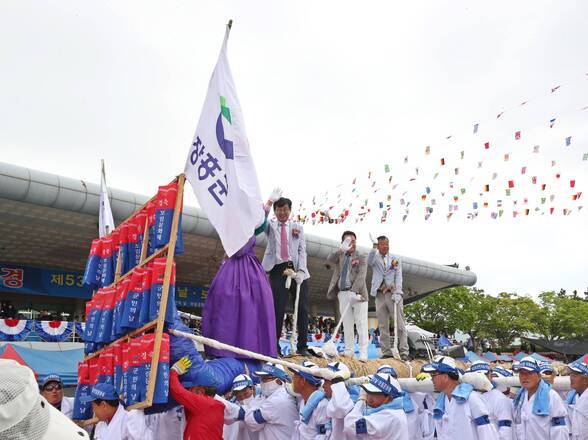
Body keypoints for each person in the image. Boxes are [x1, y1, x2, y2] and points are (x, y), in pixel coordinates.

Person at [202, 189, 280, 358]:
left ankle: (245, 350)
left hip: (243, 267)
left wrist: (268, 205)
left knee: (251, 305)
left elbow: (260, 225)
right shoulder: (229, 223)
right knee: (230, 305)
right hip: (236, 266)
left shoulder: (250, 224)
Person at [262, 196, 311, 356]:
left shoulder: (297, 227)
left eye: (285, 209)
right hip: (277, 269)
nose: (282, 212)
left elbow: (302, 250)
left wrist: (301, 272)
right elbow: (260, 221)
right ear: (275, 211)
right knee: (277, 308)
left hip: (296, 269)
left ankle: (302, 346)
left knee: (302, 308)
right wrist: (268, 204)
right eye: (279, 209)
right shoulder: (271, 225)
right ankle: (273, 346)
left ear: (290, 211)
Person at [0, 359, 89, 439]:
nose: (54, 390)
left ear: (63, 390)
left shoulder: (75, 402)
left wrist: (84, 423)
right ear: (42, 393)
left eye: (58, 386)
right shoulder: (30, 406)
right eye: (49, 387)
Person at [423, 356, 499, 440]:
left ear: (445, 377)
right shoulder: (440, 403)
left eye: (433, 375)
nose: (431, 379)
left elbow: (487, 432)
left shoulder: (472, 398)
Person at [326, 231, 369, 362]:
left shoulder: (361, 255)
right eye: (348, 241)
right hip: (343, 293)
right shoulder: (341, 255)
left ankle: (363, 352)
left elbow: (362, 275)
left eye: (353, 241)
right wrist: (340, 250)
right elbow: (329, 258)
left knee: (361, 323)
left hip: (358, 294)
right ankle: (349, 350)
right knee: (347, 323)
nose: (351, 243)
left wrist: (354, 291)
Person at [367, 235, 409, 360]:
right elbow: (369, 262)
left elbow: (399, 276)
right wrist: (373, 248)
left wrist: (398, 292)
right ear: (378, 245)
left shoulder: (396, 259)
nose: (385, 246)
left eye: (387, 244)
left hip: (392, 293)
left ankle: (404, 352)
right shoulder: (374, 257)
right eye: (382, 244)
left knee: (400, 324)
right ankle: (386, 352)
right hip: (379, 294)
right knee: (382, 325)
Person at [512, 356, 569, 440]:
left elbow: (560, 430)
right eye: (521, 373)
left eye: (529, 373)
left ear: (538, 376)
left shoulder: (551, 396)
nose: (524, 377)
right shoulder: (519, 397)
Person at [169, 356, 225, 440]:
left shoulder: (203, 403)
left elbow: (178, 392)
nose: (188, 392)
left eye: (190, 389)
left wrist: (174, 372)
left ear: (200, 391)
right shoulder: (214, 405)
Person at [240, 362, 298, 440]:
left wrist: (256, 402)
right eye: (261, 378)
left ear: (278, 381)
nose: (262, 382)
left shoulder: (278, 399)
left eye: (266, 378)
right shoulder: (271, 396)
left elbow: (251, 421)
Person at [343, 372, 409, 439]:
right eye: (368, 392)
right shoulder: (396, 411)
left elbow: (349, 427)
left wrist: (361, 401)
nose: (369, 398)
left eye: (375, 395)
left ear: (389, 398)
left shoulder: (387, 416)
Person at [80, 382, 147, 440]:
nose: (93, 410)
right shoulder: (100, 423)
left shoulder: (130, 419)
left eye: (93, 406)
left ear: (104, 405)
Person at [467, 361, 514, 440]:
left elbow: (506, 431)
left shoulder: (500, 399)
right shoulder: (466, 397)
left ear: (490, 376)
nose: (481, 378)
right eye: (477, 375)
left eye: (485, 375)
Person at [376, 364, 423, 439]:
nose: (389, 381)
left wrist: (428, 381)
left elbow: (431, 398)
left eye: (392, 377)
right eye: (384, 378)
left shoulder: (411, 397)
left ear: (396, 379)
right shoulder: (372, 404)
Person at [290, 360, 330, 439]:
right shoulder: (303, 401)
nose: (292, 380)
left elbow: (323, 437)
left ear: (302, 381)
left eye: (294, 376)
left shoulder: (322, 405)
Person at [219, 374, 260, 440]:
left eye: (245, 393)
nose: (243, 397)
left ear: (252, 388)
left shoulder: (262, 404)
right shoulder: (233, 411)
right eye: (239, 395)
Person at [323, 360, 353, 439]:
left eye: (326, 381)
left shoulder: (349, 402)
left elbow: (339, 409)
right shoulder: (331, 400)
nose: (323, 385)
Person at [565, 356, 588, 440]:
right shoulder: (572, 397)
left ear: (585, 380)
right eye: (571, 375)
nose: (571, 378)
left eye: (575, 375)